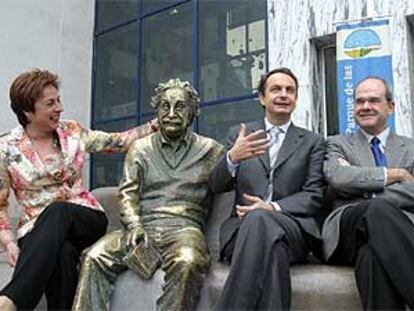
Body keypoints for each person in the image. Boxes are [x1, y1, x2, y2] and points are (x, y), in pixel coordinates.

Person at [0, 69, 156, 311]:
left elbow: (117, 141)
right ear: (28, 112)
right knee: (63, 253)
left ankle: (11, 300)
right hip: (35, 228)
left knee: (58, 211)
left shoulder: (71, 131)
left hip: (84, 218)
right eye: (50, 103)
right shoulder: (6, 148)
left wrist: (154, 125)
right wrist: (10, 243)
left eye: (59, 100)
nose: (59, 108)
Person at [71, 78, 224, 311]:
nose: (171, 113)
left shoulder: (211, 150)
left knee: (188, 261)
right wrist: (134, 225)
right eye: (165, 106)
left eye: (180, 106)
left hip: (184, 229)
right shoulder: (140, 148)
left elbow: (230, 178)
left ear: (193, 113)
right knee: (94, 256)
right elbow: (127, 193)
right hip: (142, 227)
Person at [210, 67, 326, 310]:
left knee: (261, 217)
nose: (284, 94)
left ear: (295, 99)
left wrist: (271, 207)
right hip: (241, 230)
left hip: (293, 228)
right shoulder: (240, 135)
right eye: (276, 89)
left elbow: (314, 195)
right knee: (273, 253)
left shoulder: (313, 142)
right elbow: (215, 184)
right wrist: (232, 158)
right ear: (262, 98)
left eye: (290, 90)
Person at [322, 76, 414, 310]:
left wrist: (362, 186)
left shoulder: (410, 147)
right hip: (347, 227)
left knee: (372, 255)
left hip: (392, 231)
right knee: (378, 209)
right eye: (359, 101)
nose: (365, 107)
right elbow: (338, 178)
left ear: (391, 107)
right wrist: (395, 175)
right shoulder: (337, 143)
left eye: (373, 100)